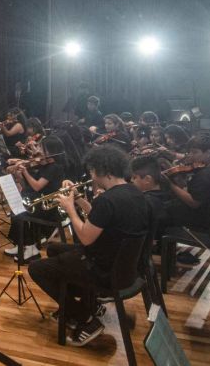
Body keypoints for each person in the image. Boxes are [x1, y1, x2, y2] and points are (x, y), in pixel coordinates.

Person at [28, 145, 149, 347]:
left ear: (103, 170)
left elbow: (85, 237)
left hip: (104, 270)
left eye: (92, 170)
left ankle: (84, 318)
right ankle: (88, 303)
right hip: (122, 263)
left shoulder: (108, 200)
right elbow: (100, 219)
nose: (91, 175)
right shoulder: (132, 192)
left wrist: (69, 209)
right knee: (54, 249)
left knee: (37, 268)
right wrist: (79, 199)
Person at [6, 136, 69, 261]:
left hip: (48, 206)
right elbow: (30, 185)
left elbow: (37, 186)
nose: (37, 150)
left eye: (41, 147)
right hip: (40, 199)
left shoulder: (54, 167)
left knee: (19, 212)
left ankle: (31, 248)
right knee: (15, 208)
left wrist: (25, 171)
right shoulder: (46, 164)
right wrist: (19, 176)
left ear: (50, 151)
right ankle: (21, 244)